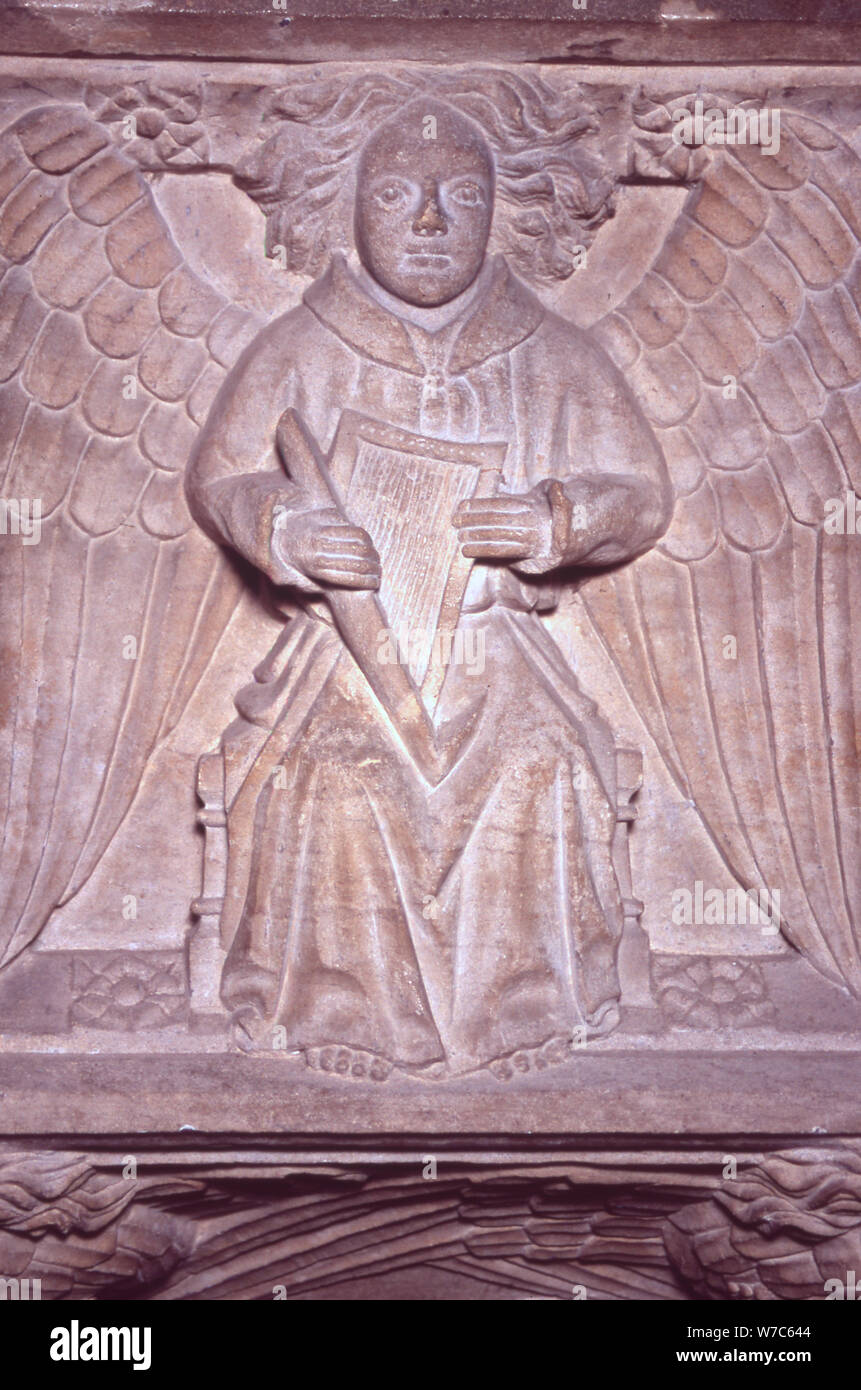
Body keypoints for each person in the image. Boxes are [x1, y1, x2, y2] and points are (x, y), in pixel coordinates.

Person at [187, 96, 671, 1080]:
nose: (430, 222)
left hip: (497, 646)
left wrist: (555, 520)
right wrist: (286, 528)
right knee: (333, 777)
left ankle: (523, 1002)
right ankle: (346, 1008)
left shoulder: (554, 355)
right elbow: (222, 477)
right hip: (348, 653)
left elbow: (643, 491)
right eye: (399, 195)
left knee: (537, 764)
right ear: (349, 211)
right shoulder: (300, 346)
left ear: (499, 213)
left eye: (460, 196)